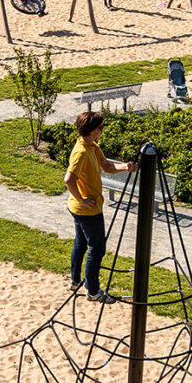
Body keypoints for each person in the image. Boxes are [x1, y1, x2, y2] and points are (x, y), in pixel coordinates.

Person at [63, 109, 133, 301]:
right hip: (87, 210)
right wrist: (82, 199)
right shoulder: (82, 152)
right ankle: (93, 291)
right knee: (97, 248)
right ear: (92, 130)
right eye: (100, 127)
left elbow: (108, 167)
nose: (102, 129)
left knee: (81, 243)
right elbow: (68, 179)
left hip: (82, 208)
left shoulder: (91, 146)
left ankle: (75, 281)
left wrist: (126, 167)